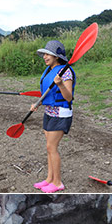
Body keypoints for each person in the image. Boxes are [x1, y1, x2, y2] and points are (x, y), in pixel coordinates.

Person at [32, 40, 75, 193]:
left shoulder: (66, 72)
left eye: (47, 54)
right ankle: (49, 179)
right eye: (44, 54)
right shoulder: (49, 70)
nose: (44, 56)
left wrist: (61, 84)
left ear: (56, 56)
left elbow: (68, 97)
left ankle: (57, 183)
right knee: (49, 148)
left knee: (52, 147)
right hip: (49, 112)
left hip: (61, 113)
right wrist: (37, 103)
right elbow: (47, 93)